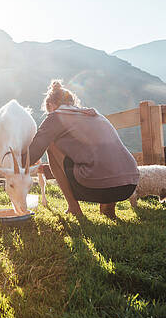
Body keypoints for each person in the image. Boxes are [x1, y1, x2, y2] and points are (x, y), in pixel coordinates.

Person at [26, 79, 139, 219]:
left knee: (51, 145)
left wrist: (7, 159)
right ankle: (108, 209)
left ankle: (74, 208)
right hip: (129, 184)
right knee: (106, 157)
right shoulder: (96, 115)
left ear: (50, 105)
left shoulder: (55, 117)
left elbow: (33, 155)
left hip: (98, 187)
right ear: (73, 103)